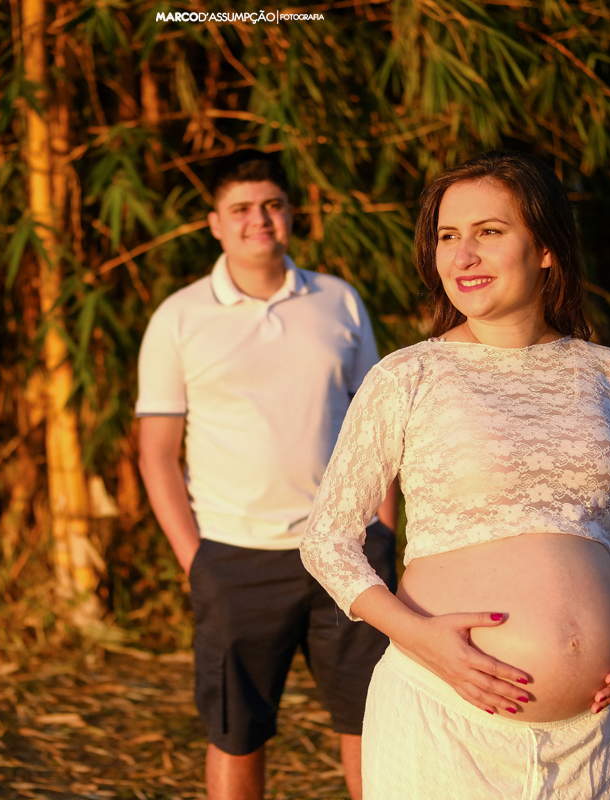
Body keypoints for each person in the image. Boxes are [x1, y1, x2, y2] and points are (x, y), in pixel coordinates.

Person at [300, 150, 610, 799]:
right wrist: (422, 640)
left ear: (547, 247)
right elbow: (327, 540)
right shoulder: (407, 377)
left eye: (489, 232)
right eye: (448, 236)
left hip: (592, 730)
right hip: (443, 714)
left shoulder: (607, 374)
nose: (463, 255)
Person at [136, 150, 399, 800]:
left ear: (289, 213)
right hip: (237, 558)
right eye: (242, 209)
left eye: (272, 205)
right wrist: (197, 559)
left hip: (347, 548)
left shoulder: (338, 300)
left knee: (374, 720)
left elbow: (376, 426)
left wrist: (383, 530)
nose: (260, 220)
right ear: (215, 224)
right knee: (237, 731)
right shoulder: (179, 317)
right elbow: (156, 452)